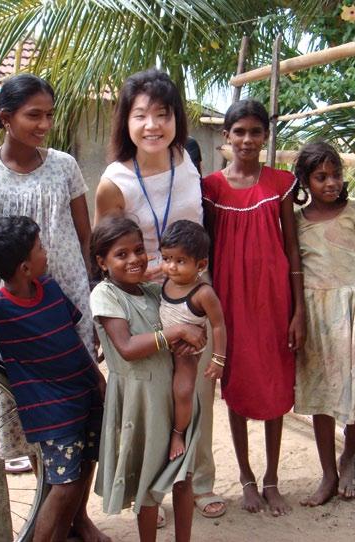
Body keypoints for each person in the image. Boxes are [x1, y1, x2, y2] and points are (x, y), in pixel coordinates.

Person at [0, 75, 104, 541]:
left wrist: (94, 297)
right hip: (15, 309)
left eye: (49, 114)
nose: (45, 123)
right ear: (5, 118)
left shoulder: (64, 165)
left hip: (64, 301)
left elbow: (84, 236)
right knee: (37, 410)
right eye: (33, 115)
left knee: (80, 413)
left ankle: (76, 517)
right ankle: (50, 517)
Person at [94, 69, 225, 520]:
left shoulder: (187, 160)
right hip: (141, 303)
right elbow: (107, 249)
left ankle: (199, 481)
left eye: (163, 114)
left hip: (191, 295)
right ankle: (155, 488)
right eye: (141, 115)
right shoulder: (115, 181)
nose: (153, 125)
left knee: (196, 394)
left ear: (176, 120)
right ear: (126, 122)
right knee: (155, 401)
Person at [0, 216, 105, 542]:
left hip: (85, 394)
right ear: (24, 267)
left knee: (84, 467)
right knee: (63, 485)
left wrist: (98, 381)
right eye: (39, 247)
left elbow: (73, 339)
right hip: (51, 412)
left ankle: (71, 530)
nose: (45, 251)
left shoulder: (49, 288)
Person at [202, 99, 306, 517]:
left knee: (277, 385)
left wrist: (298, 310)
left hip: (275, 298)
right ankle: (246, 478)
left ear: (266, 137)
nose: (247, 139)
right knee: (238, 385)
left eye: (255, 132)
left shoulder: (281, 182)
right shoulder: (211, 187)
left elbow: (293, 248)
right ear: (226, 136)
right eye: (239, 131)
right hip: (229, 301)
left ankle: (272, 480)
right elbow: (205, 250)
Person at [89, 215, 207, 541]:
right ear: (102, 262)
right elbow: (126, 347)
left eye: (139, 250)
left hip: (174, 396)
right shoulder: (105, 295)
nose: (134, 259)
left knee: (184, 476)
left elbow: (191, 312)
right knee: (148, 483)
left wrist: (195, 333)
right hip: (140, 401)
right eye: (121, 254)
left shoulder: (156, 292)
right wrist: (179, 331)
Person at [292, 142, 355, 505]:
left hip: (353, 308)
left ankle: (347, 457)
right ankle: (328, 472)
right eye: (320, 177)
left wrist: (347, 292)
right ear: (305, 181)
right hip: (315, 313)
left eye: (336, 175)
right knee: (322, 396)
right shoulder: (297, 221)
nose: (331, 183)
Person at [159, 220, 227, 461]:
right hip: (162, 348)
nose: (171, 267)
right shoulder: (166, 280)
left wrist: (218, 359)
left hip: (186, 353)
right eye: (166, 258)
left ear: (201, 265)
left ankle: (178, 433)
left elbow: (218, 325)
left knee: (183, 389)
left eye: (180, 261)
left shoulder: (203, 293)